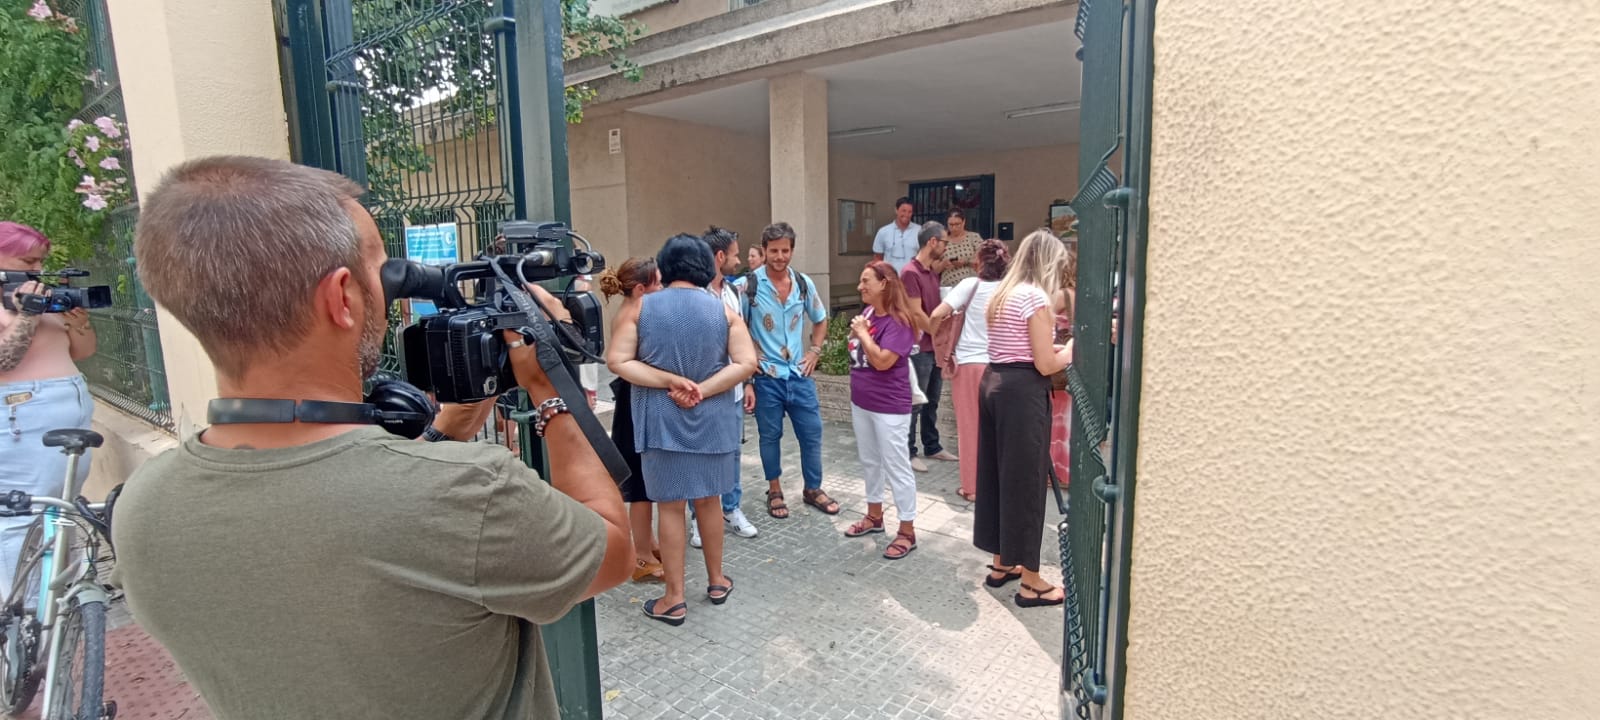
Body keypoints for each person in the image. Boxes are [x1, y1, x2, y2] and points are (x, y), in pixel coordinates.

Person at [110, 156, 633, 720]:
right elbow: (611, 552)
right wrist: (545, 385)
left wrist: (448, 428)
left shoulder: (141, 509)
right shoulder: (471, 494)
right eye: (385, 272)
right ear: (341, 298)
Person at [608, 234, 757, 626]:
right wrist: (703, 389)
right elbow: (746, 362)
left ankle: (673, 598)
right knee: (709, 501)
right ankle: (717, 580)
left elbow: (618, 360)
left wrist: (668, 381)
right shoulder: (723, 311)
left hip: (661, 419)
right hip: (714, 421)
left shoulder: (642, 307)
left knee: (670, 508)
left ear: (665, 267)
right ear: (707, 268)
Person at [973, 229, 1072, 607]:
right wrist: (1072, 350)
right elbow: (1045, 362)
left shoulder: (1001, 293)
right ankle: (1032, 581)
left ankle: (1002, 562)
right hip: (1021, 392)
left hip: (993, 382)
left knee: (997, 476)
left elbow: (1017, 346)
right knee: (1027, 484)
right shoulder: (1035, 298)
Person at [0, 222, 97, 590]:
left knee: (61, 513)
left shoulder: (37, 295)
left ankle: (54, 611)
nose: (38, 271)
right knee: (22, 515)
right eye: (29, 261)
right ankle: (20, 619)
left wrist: (79, 324)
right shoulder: (23, 305)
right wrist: (27, 315)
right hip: (21, 425)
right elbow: (5, 360)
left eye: (41, 262)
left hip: (69, 425)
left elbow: (82, 353)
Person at [736, 222, 840, 519]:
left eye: (785, 250)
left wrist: (815, 352)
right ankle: (775, 489)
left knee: (812, 433)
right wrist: (748, 372)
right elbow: (737, 327)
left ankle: (813, 488)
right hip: (766, 377)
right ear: (764, 251)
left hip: (799, 375)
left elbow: (820, 319)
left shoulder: (803, 283)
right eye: (774, 251)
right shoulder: (748, 286)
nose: (780, 256)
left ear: (792, 250)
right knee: (770, 436)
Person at [842, 262, 921, 560]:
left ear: (884, 283)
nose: (860, 287)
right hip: (862, 402)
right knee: (870, 461)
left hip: (889, 407)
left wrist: (862, 333)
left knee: (896, 465)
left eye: (866, 282)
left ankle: (907, 531)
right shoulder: (869, 314)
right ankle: (874, 516)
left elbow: (883, 362)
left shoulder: (899, 321)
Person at [598, 257, 665, 583]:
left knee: (642, 484)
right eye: (658, 283)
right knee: (640, 487)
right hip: (632, 402)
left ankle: (648, 544)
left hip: (631, 400)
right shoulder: (635, 314)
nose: (662, 288)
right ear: (641, 288)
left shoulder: (627, 310)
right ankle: (641, 557)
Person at [929, 239, 1010, 503]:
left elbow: (936, 315)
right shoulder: (1011, 289)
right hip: (1001, 365)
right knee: (999, 428)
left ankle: (972, 488)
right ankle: (1000, 485)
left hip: (968, 364)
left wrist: (938, 338)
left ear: (978, 262)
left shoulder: (968, 286)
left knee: (969, 427)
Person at [699, 226, 759, 543]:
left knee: (733, 453)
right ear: (720, 257)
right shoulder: (694, 294)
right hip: (704, 394)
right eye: (735, 255)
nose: (739, 261)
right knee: (704, 456)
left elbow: (743, 341)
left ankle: (731, 509)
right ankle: (700, 517)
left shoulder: (735, 293)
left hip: (733, 393)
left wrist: (747, 382)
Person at [900, 221, 956, 473]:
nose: (946, 246)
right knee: (916, 400)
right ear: (932, 242)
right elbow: (915, 313)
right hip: (919, 347)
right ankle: (907, 451)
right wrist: (939, 333)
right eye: (944, 241)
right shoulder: (910, 272)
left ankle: (932, 445)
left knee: (932, 399)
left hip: (934, 346)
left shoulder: (931, 272)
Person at [872, 197, 919, 273]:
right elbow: (877, 258)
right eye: (903, 211)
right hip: (890, 279)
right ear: (896, 210)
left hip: (912, 278)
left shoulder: (919, 231)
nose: (906, 214)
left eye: (909, 212)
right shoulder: (883, 232)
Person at [939, 208, 983, 287]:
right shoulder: (942, 241)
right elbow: (934, 269)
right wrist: (944, 264)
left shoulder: (973, 237)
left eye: (957, 224)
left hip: (971, 285)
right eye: (951, 225)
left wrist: (965, 262)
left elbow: (982, 260)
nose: (954, 228)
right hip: (949, 286)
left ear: (963, 222)